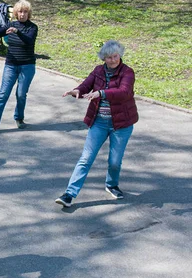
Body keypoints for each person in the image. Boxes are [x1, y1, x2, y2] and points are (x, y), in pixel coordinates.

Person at [55, 40, 138, 208]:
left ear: (120, 55)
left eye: (115, 56)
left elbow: (124, 92)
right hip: (99, 122)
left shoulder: (127, 72)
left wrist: (101, 93)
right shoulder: (98, 71)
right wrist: (77, 90)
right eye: (109, 57)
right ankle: (69, 194)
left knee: (115, 161)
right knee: (86, 158)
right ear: (103, 58)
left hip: (121, 124)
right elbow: (87, 85)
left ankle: (112, 185)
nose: (113, 60)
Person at [0, 0, 38, 133]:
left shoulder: (32, 27)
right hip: (11, 65)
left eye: (25, 12)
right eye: (20, 11)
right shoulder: (10, 24)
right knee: (3, 94)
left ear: (28, 13)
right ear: (16, 13)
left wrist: (17, 32)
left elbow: (29, 41)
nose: (22, 14)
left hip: (27, 66)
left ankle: (19, 118)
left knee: (21, 94)